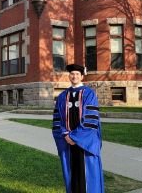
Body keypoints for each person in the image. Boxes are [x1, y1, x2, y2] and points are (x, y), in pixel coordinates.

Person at [52, 63, 104, 193]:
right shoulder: (62, 96)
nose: (74, 76)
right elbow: (58, 118)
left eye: (77, 74)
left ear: (81, 77)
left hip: (84, 142)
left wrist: (75, 137)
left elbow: (91, 119)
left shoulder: (89, 94)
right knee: (72, 173)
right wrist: (65, 134)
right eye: (72, 74)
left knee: (87, 173)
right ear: (69, 76)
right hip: (67, 141)